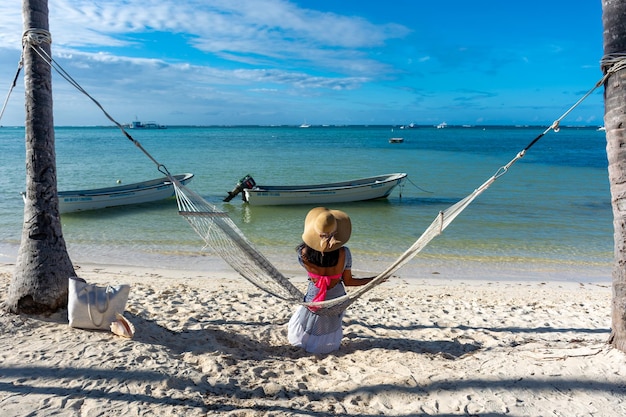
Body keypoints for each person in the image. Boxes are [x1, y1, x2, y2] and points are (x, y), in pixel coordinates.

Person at [287, 207, 375, 354]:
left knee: (309, 320)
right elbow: (349, 281)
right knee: (330, 322)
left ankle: (306, 341)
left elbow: (314, 272)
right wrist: (374, 280)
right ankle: (326, 345)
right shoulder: (343, 252)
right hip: (336, 301)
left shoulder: (303, 253)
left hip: (314, 298)